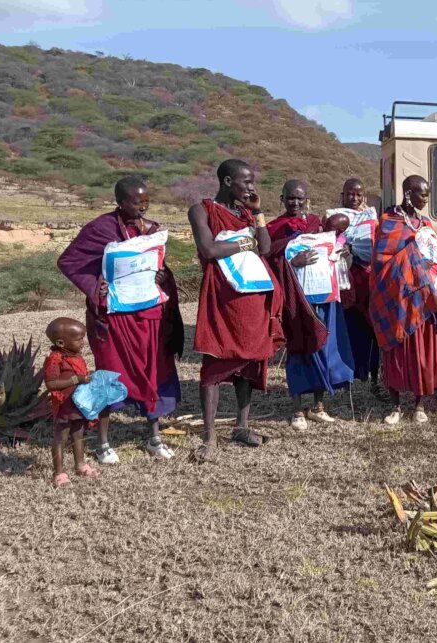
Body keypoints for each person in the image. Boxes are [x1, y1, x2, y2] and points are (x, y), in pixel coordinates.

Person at [57, 176, 183, 463]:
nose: (142, 207)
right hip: (113, 318)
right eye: (136, 202)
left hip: (149, 314)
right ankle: (102, 443)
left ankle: (154, 437)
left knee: (154, 371)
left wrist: (162, 275)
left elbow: (158, 264)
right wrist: (94, 286)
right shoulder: (100, 229)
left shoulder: (152, 230)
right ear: (120, 202)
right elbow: (69, 261)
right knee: (110, 374)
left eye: (146, 201)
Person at [188, 159, 284, 461]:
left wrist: (257, 214)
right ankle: (209, 437)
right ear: (228, 181)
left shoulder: (245, 214)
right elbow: (209, 250)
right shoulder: (202, 210)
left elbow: (265, 247)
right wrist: (245, 242)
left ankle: (242, 426)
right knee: (216, 361)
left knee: (248, 361)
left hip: (252, 297)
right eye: (247, 182)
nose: (251, 187)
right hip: (221, 295)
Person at [267, 180, 354, 431]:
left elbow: (333, 248)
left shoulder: (317, 224)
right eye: (290, 198)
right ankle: (297, 409)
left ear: (307, 200)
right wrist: (291, 261)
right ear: (281, 199)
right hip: (295, 299)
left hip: (323, 297)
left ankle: (317, 405)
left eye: (300, 199)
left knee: (323, 348)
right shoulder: (274, 228)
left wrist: (342, 254)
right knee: (299, 349)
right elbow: (267, 259)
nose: (295, 203)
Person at [370, 175, 437, 424]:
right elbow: (380, 260)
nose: (426, 199)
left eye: (428, 194)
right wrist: (411, 258)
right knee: (396, 350)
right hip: (397, 297)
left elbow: (434, 253)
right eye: (422, 194)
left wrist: (433, 259)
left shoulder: (425, 223)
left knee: (419, 353)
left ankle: (419, 404)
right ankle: (395, 406)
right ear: (408, 194)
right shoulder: (389, 220)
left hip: (420, 299)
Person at [332, 178, 381, 392]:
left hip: (368, 281)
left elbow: (376, 244)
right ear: (343, 195)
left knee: (372, 332)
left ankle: (373, 376)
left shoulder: (370, 217)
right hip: (345, 281)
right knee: (350, 330)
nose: (354, 198)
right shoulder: (333, 218)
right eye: (350, 194)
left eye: (358, 194)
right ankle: (349, 377)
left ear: (364, 196)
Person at [43, 318, 100, 487]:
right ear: (61, 342)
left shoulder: (75, 355)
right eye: (78, 339)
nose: (83, 342)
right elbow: (51, 384)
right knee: (61, 437)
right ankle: (59, 473)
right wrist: (77, 379)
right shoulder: (55, 360)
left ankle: (80, 464)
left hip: (78, 404)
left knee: (79, 434)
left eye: (83, 338)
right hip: (64, 406)